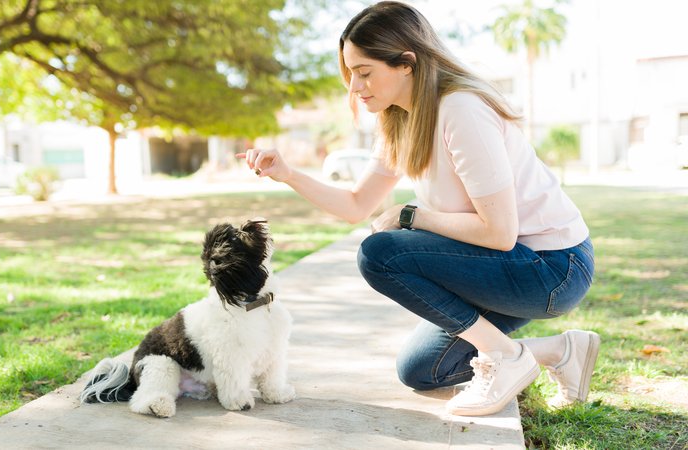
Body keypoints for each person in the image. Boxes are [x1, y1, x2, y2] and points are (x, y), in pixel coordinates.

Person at [238, 1, 599, 417]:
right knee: (422, 370)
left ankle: (506, 357)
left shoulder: (461, 109)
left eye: (364, 72)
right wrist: (287, 173)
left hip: (552, 269)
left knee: (380, 253)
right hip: (504, 265)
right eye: (350, 74)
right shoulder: (399, 120)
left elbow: (499, 232)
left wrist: (411, 216)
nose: (354, 87)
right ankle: (559, 350)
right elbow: (356, 204)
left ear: (406, 63)